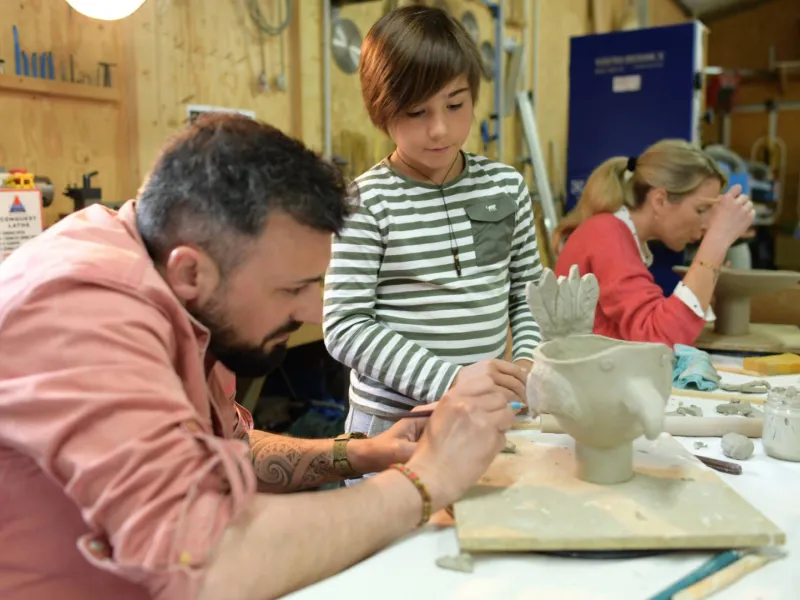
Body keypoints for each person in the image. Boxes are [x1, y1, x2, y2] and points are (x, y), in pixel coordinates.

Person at [0, 114, 519, 600]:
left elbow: (224, 452)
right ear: (191, 271)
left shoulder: (189, 296)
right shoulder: (82, 311)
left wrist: (365, 453)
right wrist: (427, 479)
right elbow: (205, 558)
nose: (314, 313)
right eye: (293, 288)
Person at [323, 6, 541, 442]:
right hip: (392, 427)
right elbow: (345, 325)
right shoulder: (365, 202)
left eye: (455, 104)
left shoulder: (506, 188)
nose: (440, 129)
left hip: (484, 414)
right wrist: (450, 381)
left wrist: (526, 364)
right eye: (416, 112)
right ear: (381, 111)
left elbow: (528, 295)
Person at [553, 138, 755, 346]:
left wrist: (704, 285)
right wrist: (716, 241)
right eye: (700, 210)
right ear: (660, 200)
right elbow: (657, 337)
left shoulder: (615, 234)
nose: (706, 225)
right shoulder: (607, 236)